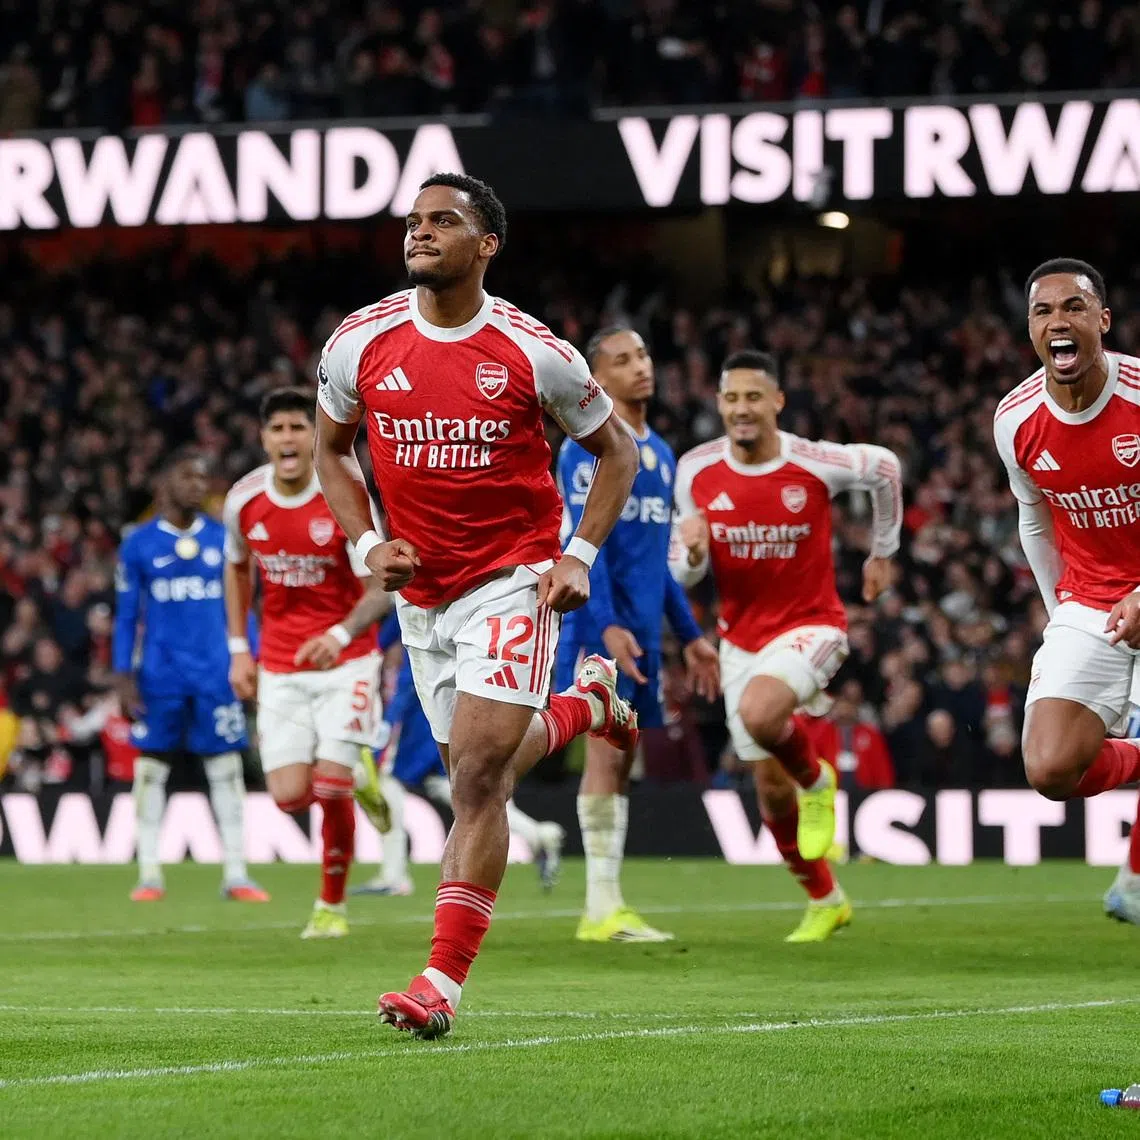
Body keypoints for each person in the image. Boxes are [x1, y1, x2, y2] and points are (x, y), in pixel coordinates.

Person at [313, 172, 640, 1039]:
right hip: (422, 595)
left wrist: (576, 556)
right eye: (414, 221)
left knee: (476, 776)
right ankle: (586, 706)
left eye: (443, 221)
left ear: (486, 244)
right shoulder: (359, 341)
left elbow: (619, 452)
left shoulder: (536, 353)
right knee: (476, 761)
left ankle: (440, 983)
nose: (420, 233)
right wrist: (365, 544)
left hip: (513, 576)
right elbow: (332, 450)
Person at [671, 350, 902, 942]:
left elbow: (884, 468)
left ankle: (819, 780)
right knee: (769, 789)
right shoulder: (695, 470)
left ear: (777, 401)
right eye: (730, 398)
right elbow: (686, 573)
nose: (741, 409)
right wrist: (693, 554)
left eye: (753, 397)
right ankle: (826, 899)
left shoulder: (811, 461)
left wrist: (883, 551)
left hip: (813, 625)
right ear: (719, 405)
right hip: (739, 640)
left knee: (761, 712)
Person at [553, 325, 719, 943]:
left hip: (642, 633)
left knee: (621, 761)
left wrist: (692, 635)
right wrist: (607, 625)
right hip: (601, 630)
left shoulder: (665, 453)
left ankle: (607, 903)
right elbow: (575, 549)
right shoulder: (586, 448)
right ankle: (599, 907)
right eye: (621, 361)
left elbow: (656, 564)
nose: (640, 367)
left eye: (644, 354)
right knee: (602, 754)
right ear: (598, 378)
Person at [992, 258, 1140, 924]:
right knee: (1050, 769)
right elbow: (1034, 516)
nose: (1059, 321)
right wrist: (1064, 614)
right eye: (1044, 311)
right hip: (1091, 604)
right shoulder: (1015, 420)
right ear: (1031, 328)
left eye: (1074, 307)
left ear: (1102, 321)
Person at [223, 388, 393, 940]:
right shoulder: (244, 500)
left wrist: (340, 633)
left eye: (299, 427)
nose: (288, 438)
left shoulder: (342, 497)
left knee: (331, 786)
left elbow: (382, 584)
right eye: (278, 429)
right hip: (280, 666)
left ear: (314, 437)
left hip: (347, 662)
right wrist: (238, 649)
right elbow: (238, 569)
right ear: (264, 439)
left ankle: (331, 907)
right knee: (289, 795)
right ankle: (362, 772)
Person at [112, 448, 268, 903]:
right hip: (160, 676)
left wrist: (251, 660)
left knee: (225, 767)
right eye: (189, 476)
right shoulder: (138, 543)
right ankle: (148, 875)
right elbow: (126, 616)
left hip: (214, 673)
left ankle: (236, 873)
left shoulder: (224, 539)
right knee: (150, 769)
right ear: (166, 484)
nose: (199, 485)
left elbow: (243, 610)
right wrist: (123, 674)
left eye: (204, 477)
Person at [352, 611, 566, 897]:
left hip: (424, 708)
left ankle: (394, 874)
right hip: (463, 694)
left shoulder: (411, 598)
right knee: (458, 783)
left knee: (391, 779)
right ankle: (536, 834)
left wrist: (389, 722)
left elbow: (385, 648)